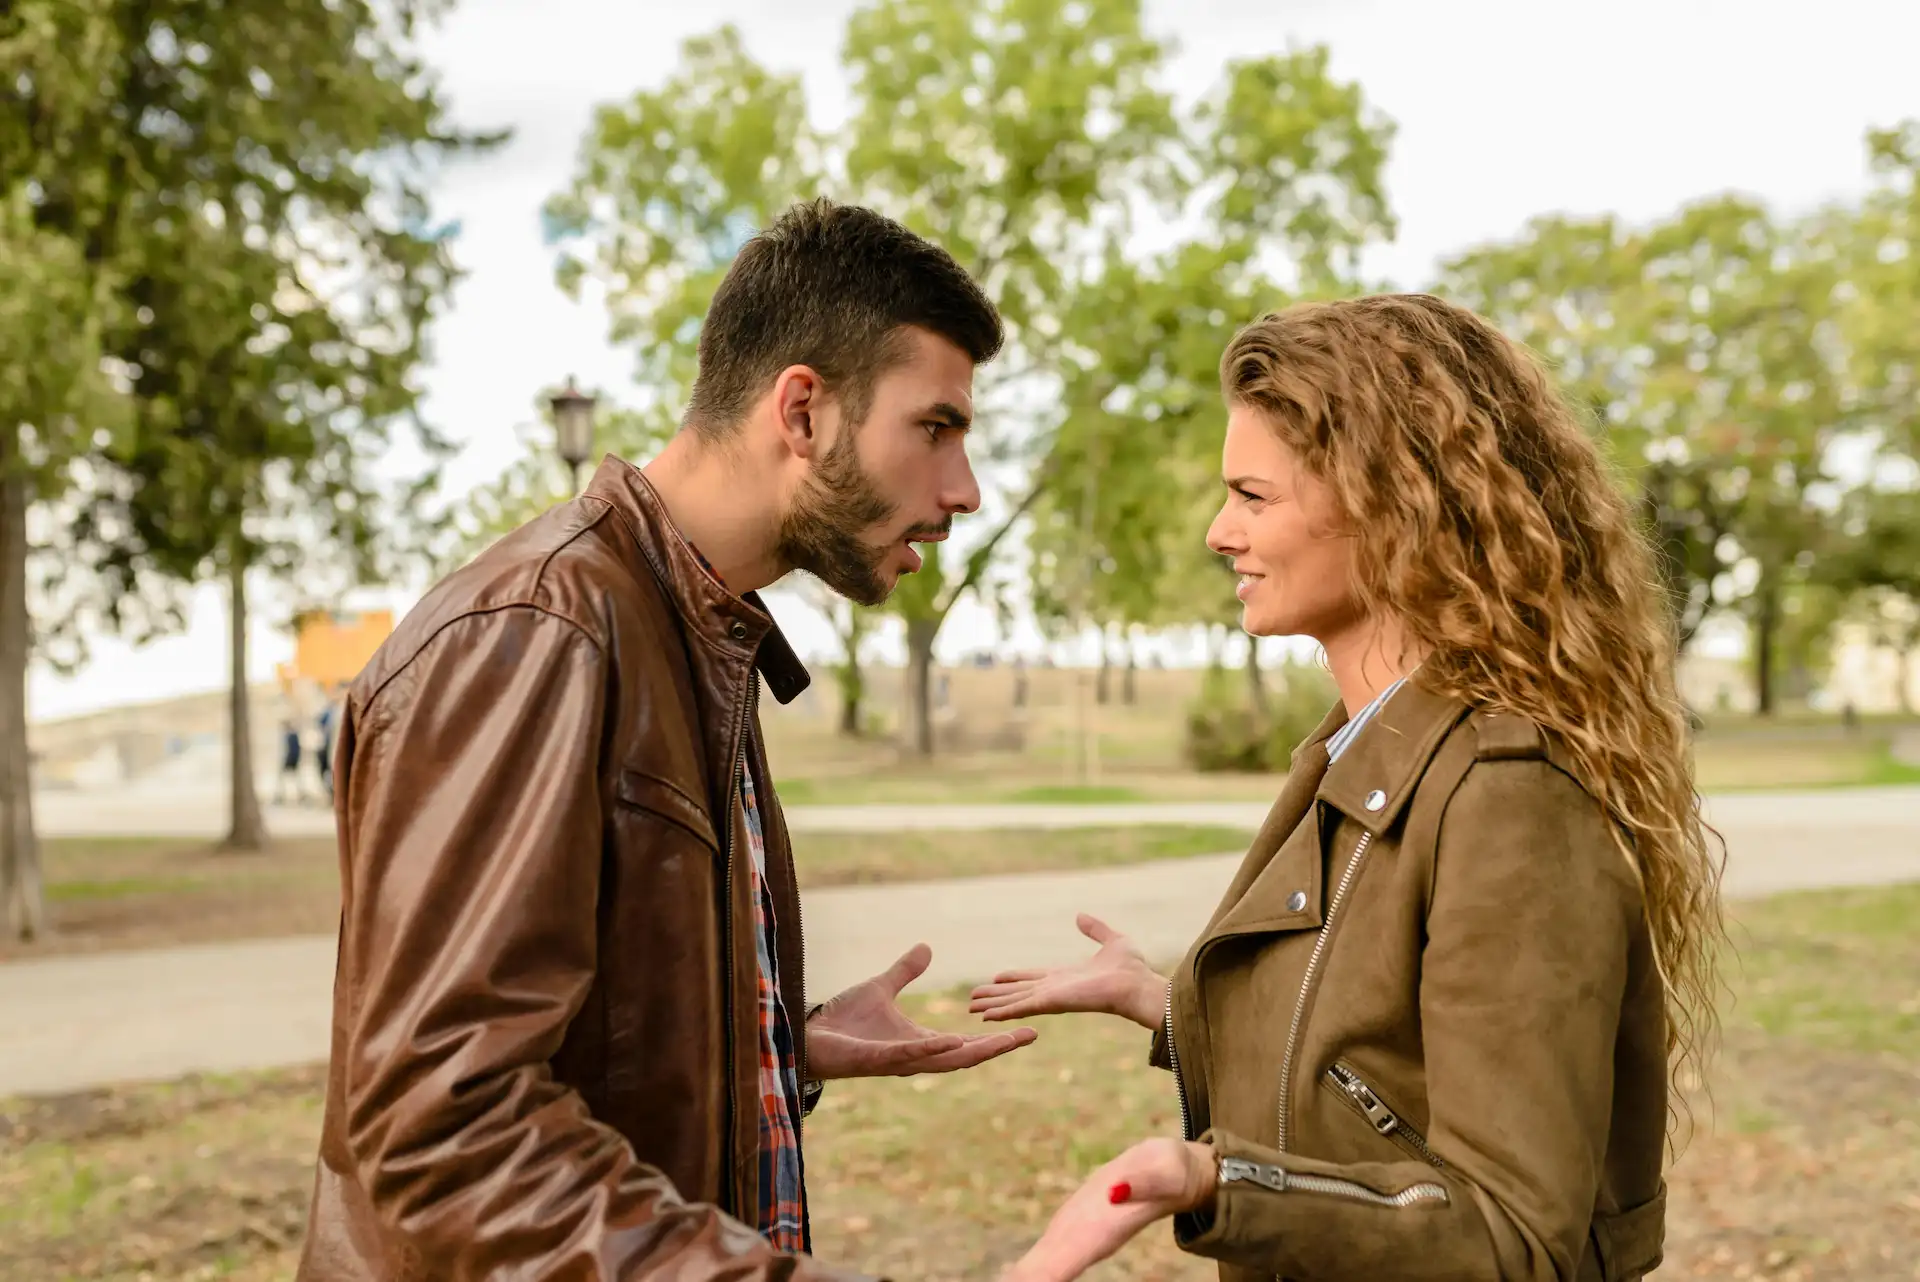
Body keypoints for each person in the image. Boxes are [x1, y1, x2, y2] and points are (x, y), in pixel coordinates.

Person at [295, 199, 1039, 1281]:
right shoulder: (540, 633)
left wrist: (778, 1045)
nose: (963, 491)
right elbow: (442, 1133)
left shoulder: (695, 631)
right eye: (936, 428)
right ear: (803, 412)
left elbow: (589, 1041)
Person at [978, 294, 1725, 1282]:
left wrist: (1212, 1183)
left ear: (1390, 504)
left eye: (1253, 496)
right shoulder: (1360, 750)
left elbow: (1512, 1235)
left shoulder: (1510, 792)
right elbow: (1371, 1068)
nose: (1217, 532)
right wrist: (1168, 1007)